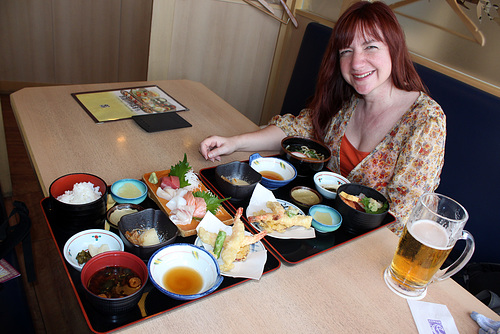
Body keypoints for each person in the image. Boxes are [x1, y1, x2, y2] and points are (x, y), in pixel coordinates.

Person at [199, 1, 445, 235]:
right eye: (346, 51)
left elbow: (401, 216)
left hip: (377, 250)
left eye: (371, 46)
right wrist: (234, 143)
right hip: (326, 225)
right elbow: (295, 131)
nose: (357, 62)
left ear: (394, 47)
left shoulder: (425, 121)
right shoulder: (347, 99)